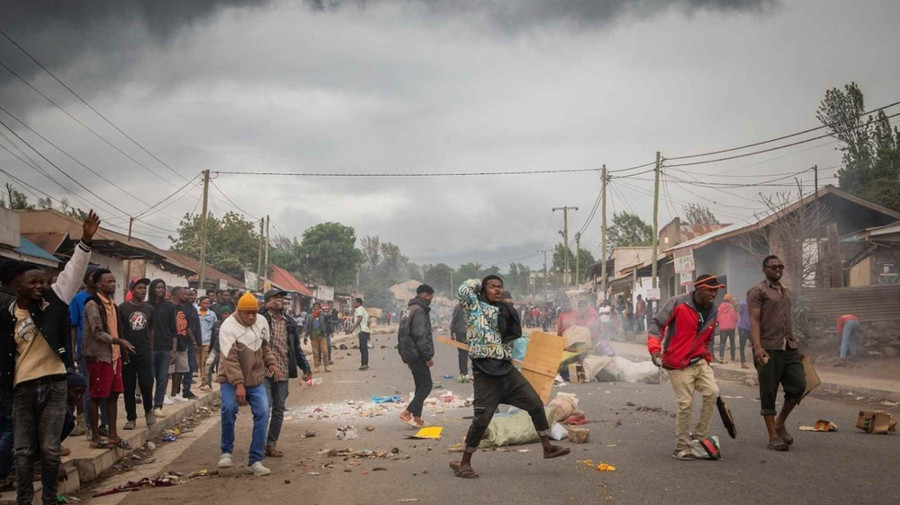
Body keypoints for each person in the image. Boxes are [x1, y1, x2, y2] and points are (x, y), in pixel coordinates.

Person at [0, 211, 97, 505]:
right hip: (22, 388)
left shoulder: (54, 301)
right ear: (17, 286)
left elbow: (73, 272)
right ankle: (24, 500)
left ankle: (50, 500)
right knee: (22, 451)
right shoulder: (6, 314)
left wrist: (85, 241)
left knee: (51, 450)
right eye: (33, 282)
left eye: (42, 281)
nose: (40, 286)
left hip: (54, 384)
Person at [452, 276, 569, 479]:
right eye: (492, 287)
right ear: (483, 289)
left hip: (507, 370)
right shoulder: (474, 306)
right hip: (485, 373)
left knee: (535, 403)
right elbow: (464, 288)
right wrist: (480, 284)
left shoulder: (505, 310)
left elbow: (514, 334)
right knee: (482, 420)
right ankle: (464, 462)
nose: (497, 290)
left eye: (500, 287)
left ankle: (547, 447)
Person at [648, 274, 723, 461]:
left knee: (712, 392)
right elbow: (657, 324)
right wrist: (655, 349)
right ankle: (681, 447)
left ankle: (698, 439)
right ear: (698, 288)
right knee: (686, 403)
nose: (714, 294)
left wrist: (707, 358)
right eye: (710, 290)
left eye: (716, 291)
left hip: (699, 360)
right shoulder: (678, 302)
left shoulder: (713, 310)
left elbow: (708, 338)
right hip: (677, 362)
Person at [748, 255, 806, 452]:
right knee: (768, 392)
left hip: (788, 346)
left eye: (780, 267)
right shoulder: (757, 291)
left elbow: (787, 320)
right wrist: (757, 347)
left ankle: (779, 423)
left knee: (799, 385)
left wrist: (796, 345)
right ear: (764, 270)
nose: (778, 270)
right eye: (773, 267)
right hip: (768, 347)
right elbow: (754, 320)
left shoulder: (785, 290)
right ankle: (773, 436)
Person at [217, 292, 276, 476]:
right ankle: (226, 451)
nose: (251, 316)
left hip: (255, 378)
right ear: (239, 311)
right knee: (229, 408)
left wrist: (271, 363)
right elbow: (230, 359)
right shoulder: (228, 327)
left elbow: (265, 346)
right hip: (230, 379)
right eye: (247, 313)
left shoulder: (261, 322)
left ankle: (255, 460)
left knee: (263, 412)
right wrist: (239, 384)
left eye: (254, 313)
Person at [83, 269, 136, 449]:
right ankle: (95, 437)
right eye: (109, 281)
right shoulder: (93, 304)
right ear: (98, 284)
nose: (113, 284)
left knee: (114, 394)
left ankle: (113, 434)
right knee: (96, 395)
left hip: (115, 355)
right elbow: (97, 332)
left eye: (114, 281)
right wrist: (119, 341)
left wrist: (120, 346)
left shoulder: (113, 304)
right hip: (100, 355)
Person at [259, 289, 311, 458]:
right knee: (264, 409)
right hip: (263, 371)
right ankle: (258, 445)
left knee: (279, 409)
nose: (280, 301)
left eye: (282, 298)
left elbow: (296, 348)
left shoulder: (289, 322)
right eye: (276, 298)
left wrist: (306, 368)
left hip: (283, 371)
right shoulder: (261, 319)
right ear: (268, 301)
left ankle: (271, 444)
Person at [118, 278, 156, 430]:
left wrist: (150, 346)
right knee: (128, 387)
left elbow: (151, 329)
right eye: (140, 288)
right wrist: (122, 349)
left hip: (144, 352)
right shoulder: (123, 308)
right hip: (128, 353)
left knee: (146, 384)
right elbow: (119, 330)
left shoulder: (149, 308)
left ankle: (148, 410)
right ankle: (131, 418)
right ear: (132, 290)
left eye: (145, 288)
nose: (143, 291)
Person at [398, 284, 435, 429]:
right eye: (431, 297)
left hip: (409, 353)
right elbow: (421, 336)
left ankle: (417, 418)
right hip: (417, 354)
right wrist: (427, 356)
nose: (431, 300)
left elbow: (401, 334)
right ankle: (407, 413)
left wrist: (405, 355)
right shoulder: (419, 311)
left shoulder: (408, 310)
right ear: (426, 295)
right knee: (426, 385)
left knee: (420, 385)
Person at [148, 279, 177, 419]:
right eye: (158, 287)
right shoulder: (146, 306)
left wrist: (174, 350)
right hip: (150, 348)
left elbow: (174, 329)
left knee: (162, 378)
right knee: (148, 379)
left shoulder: (170, 307)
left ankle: (158, 406)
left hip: (165, 347)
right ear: (152, 289)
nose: (161, 290)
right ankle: (148, 405)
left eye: (163, 287)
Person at [169, 287, 194, 401]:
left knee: (180, 370)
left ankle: (174, 394)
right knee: (168, 371)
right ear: (178, 294)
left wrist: (193, 341)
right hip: (170, 343)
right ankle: (163, 396)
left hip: (183, 343)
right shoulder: (169, 307)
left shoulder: (183, 308)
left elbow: (187, 326)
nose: (187, 296)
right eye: (184, 294)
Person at [203, 307, 230, 391]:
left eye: (228, 314)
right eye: (225, 314)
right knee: (208, 363)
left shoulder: (233, 325)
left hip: (228, 350)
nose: (227, 316)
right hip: (216, 348)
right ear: (221, 315)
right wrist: (210, 350)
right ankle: (207, 384)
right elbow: (213, 338)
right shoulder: (216, 324)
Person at [181, 289, 201, 400]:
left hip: (191, 343)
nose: (190, 297)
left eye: (192, 295)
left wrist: (198, 343)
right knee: (179, 368)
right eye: (188, 295)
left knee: (190, 365)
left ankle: (187, 390)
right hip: (180, 342)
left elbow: (197, 327)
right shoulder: (178, 308)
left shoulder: (193, 309)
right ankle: (176, 391)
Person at [305, 302, 331, 373]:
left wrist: (322, 312)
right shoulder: (310, 317)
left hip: (322, 336)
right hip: (313, 337)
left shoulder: (323, 315)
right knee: (315, 353)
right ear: (313, 308)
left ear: (320, 308)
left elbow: (329, 316)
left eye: (318, 306)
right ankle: (316, 367)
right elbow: (307, 327)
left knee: (325, 351)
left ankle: (327, 366)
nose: (316, 307)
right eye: (315, 306)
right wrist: (305, 336)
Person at [197, 296, 218, 387]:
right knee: (199, 362)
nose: (206, 305)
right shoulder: (196, 313)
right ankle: (203, 378)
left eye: (208, 303)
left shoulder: (212, 314)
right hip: (197, 342)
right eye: (204, 303)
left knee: (205, 361)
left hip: (207, 341)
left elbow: (215, 327)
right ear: (200, 303)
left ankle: (205, 381)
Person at [716, 293, 739, 363]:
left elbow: (717, 318)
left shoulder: (720, 307)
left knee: (722, 343)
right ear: (730, 299)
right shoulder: (732, 307)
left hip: (722, 328)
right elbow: (735, 317)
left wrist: (719, 322)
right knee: (732, 342)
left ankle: (721, 356)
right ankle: (732, 357)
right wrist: (734, 322)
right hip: (731, 328)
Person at [351, 298, 371, 370]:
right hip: (365, 330)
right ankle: (364, 363)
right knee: (363, 348)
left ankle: (364, 364)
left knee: (363, 348)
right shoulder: (363, 310)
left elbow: (359, 318)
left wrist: (353, 328)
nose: (353, 304)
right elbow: (368, 322)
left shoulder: (359, 309)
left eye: (354, 303)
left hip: (362, 330)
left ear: (358, 303)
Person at [450, 302, 469, 381]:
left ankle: (463, 373)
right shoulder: (473, 306)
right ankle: (464, 373)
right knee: (465, 354)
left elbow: (453, 320)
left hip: (460, 333)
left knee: (462, 354)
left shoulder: (458, 307)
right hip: (467, 333)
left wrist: (451, 334)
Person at [737, 299, 752, 369]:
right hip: (743, 328)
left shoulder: (754, 304)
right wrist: (737, 306)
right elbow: (737, 308)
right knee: (742, 346)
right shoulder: (743, 304)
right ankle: (742, 363)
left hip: (750, 328)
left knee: (756, 344)